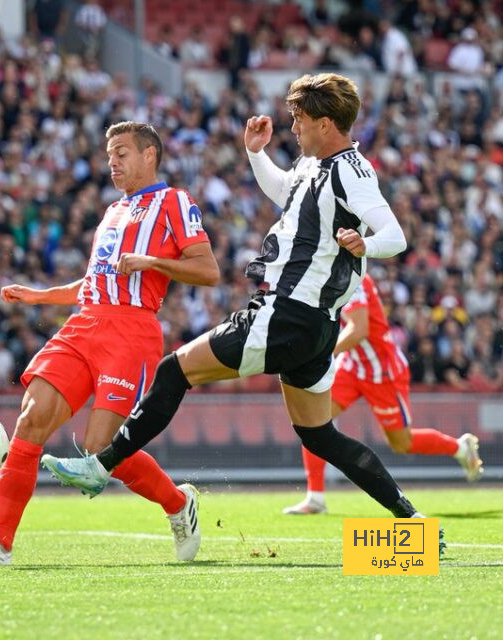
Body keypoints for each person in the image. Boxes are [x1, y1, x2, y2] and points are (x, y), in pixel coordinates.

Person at [42, 74, 443, 551]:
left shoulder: (351, 172)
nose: (293, 129)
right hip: (313, 325)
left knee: (174, 370)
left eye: (298, 121)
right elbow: (285, 193)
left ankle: (100, 466)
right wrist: (256, 154)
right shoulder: (316, 165)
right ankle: (412, 522)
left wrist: (366, 243)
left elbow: (394, 235)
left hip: (287, 311)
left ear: (326, 123)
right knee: (319, 436)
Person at [0, 121, 219, 566]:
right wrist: (40, 295)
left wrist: (152, 261)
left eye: (122, 152)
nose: (112, 161)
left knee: (99, 451)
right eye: (110, 153)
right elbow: (94, 282)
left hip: (131, 332)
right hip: (84, 325)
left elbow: (208, 270)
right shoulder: (112, 212)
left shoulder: (175, 201)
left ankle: (178, 504)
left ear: (150, 155)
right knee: (31, 417)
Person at [285, 273, 483, 515]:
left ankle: (459, 447)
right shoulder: (325, 270)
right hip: (352, 365)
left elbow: (359, 330)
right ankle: (315, 497)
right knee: (313, 423)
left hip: (383, 372)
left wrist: (320, 353)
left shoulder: (350, 275)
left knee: (402, 443)